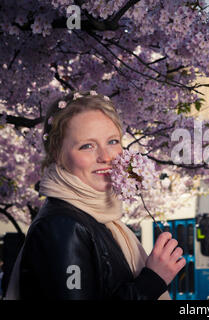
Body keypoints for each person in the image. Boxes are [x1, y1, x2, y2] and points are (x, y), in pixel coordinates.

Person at [4, 92, 185, 300]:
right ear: (57, 154)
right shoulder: (63, 226)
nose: (106, 157)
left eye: (112, 141)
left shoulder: (98, 219)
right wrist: (152, 280)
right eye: (87, 146)